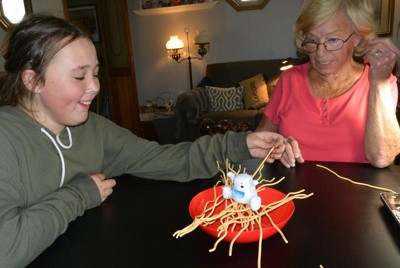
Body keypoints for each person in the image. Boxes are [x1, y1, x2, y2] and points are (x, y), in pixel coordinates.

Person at [0, 14, 285, 267]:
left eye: (96, 74)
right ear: (33, 81)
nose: (95, 87)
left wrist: (240, 144)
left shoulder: (93, 129)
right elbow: (7, 250)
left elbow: (162, 158)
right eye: (79, 76)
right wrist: (79, 195)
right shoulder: (6, 138)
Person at [256, 0, 400, 168]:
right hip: (295, 191)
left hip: (358, 192)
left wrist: (378, 83)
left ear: (357, 38)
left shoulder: (381, 82)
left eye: (333, 40)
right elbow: (259, 139)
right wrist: (277, 147)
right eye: (312, 40)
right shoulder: (289, 80)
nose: (320, 53)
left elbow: (382, 158)